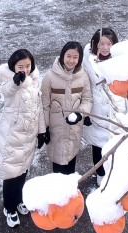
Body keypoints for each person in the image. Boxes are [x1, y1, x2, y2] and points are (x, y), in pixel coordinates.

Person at [0, 48, 47, 228]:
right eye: (20, 66)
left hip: (29, 136)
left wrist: (41, 132)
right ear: (13, 67)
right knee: (11, 174)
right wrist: (15, 82)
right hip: (12, 136)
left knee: (23, 170)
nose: (24, 69)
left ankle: (19, 200)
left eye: (27, 66)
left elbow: (38, 109)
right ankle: (9, 207)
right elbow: (6, 93)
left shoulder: (34, 84)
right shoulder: (9, 83)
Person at [83, 28, 128, 187]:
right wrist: (85, 113)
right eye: (102, 44)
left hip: (116, 110)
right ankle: (100, 174)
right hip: (96, 111)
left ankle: (113, 173)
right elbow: (82, 86)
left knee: (115, 143)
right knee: (98, 145)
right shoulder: (87, 61)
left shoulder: (120, 60)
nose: (105, 48)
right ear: (95, 45)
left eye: (109, 43)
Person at [40, 42, 93, 175]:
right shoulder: (50, 77)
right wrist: (44, 128)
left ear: (79, 58)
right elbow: (44, 105)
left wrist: (81, 114)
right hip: (56, 129)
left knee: (71, 160)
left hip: (74, 128)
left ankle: (69, 192)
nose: (71, 60)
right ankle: (58, 193)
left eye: (75, 57)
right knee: (58, 167)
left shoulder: (83, 76)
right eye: (68, 56)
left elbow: (87, 99)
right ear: (62, 56)